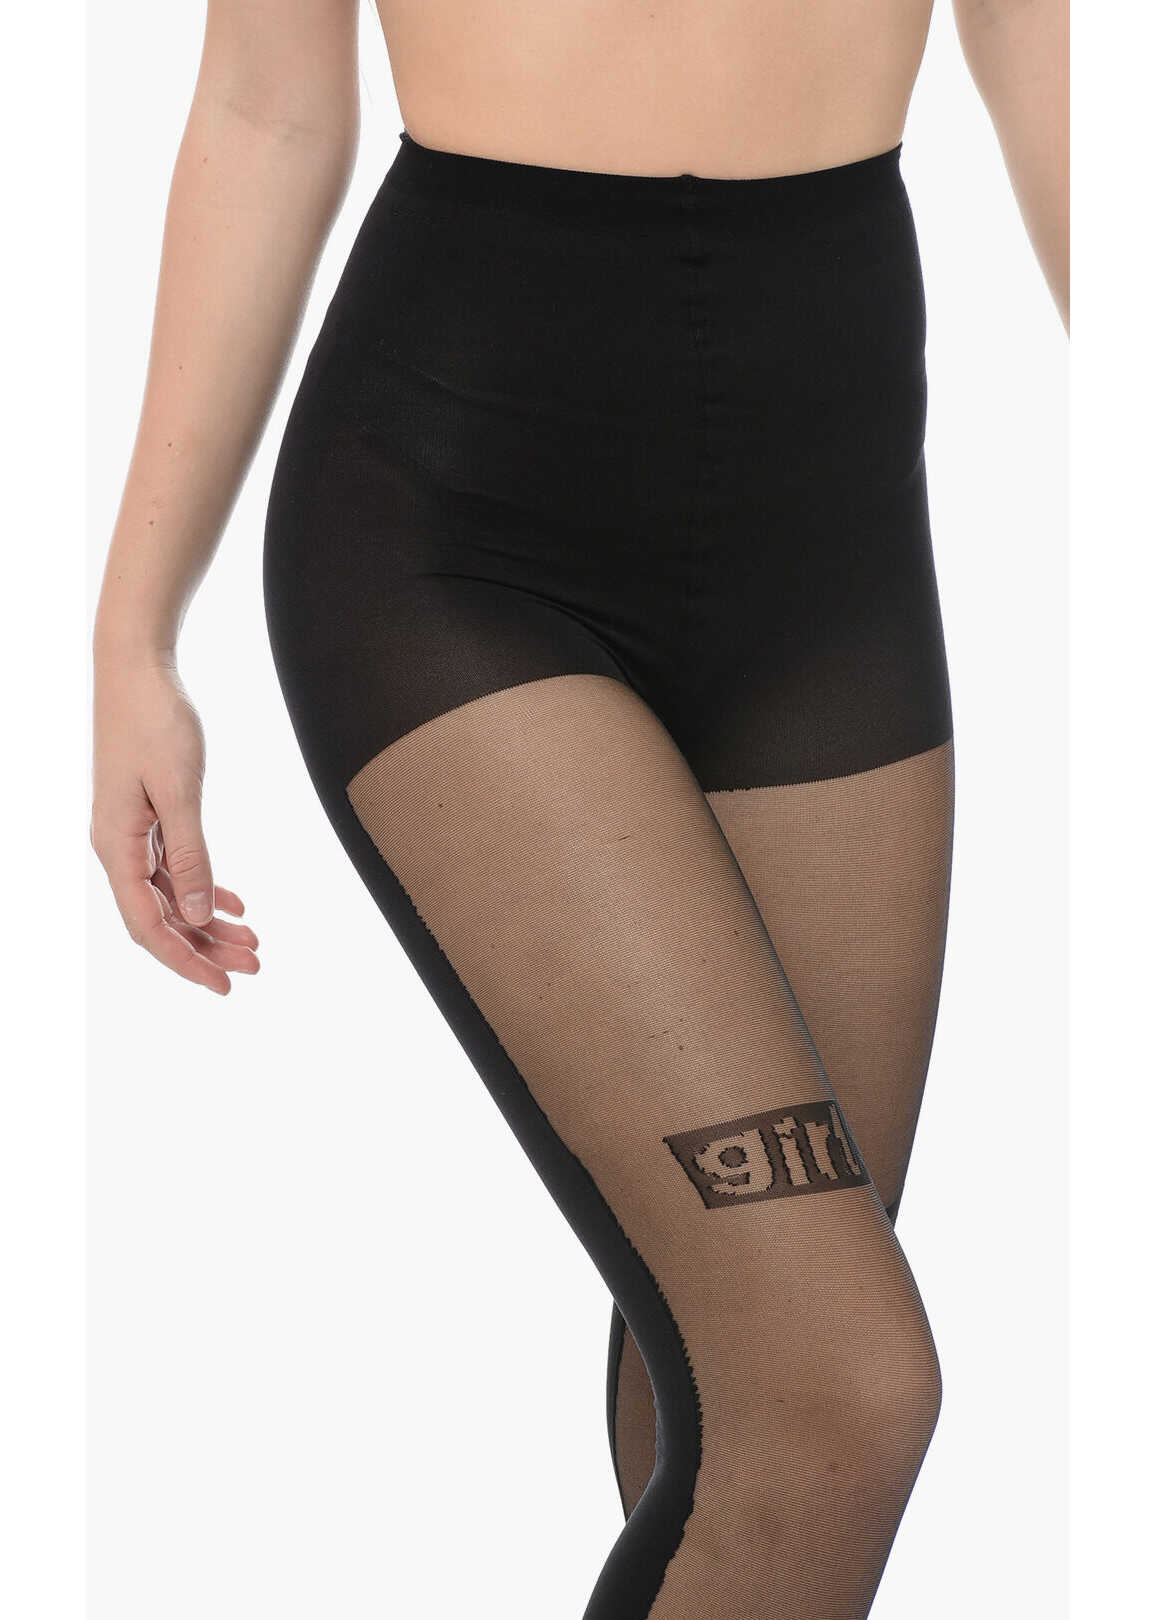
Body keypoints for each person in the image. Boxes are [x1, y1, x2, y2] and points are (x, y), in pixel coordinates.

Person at [90, 2, 1068, 1614]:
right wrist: (135, 639)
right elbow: (267, 114)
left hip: (827, 558)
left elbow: (1071, 97)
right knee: (834, 1388)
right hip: (451, 530)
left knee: (743, 1396)